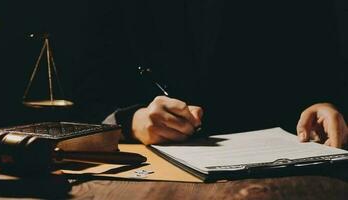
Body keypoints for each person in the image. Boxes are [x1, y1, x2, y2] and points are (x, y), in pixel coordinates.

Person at [74, 1, 348, 148]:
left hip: (280, 164)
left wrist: (324, 104)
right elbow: (84, 97)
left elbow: (320, 72)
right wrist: (133, 121)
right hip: (155, 167)